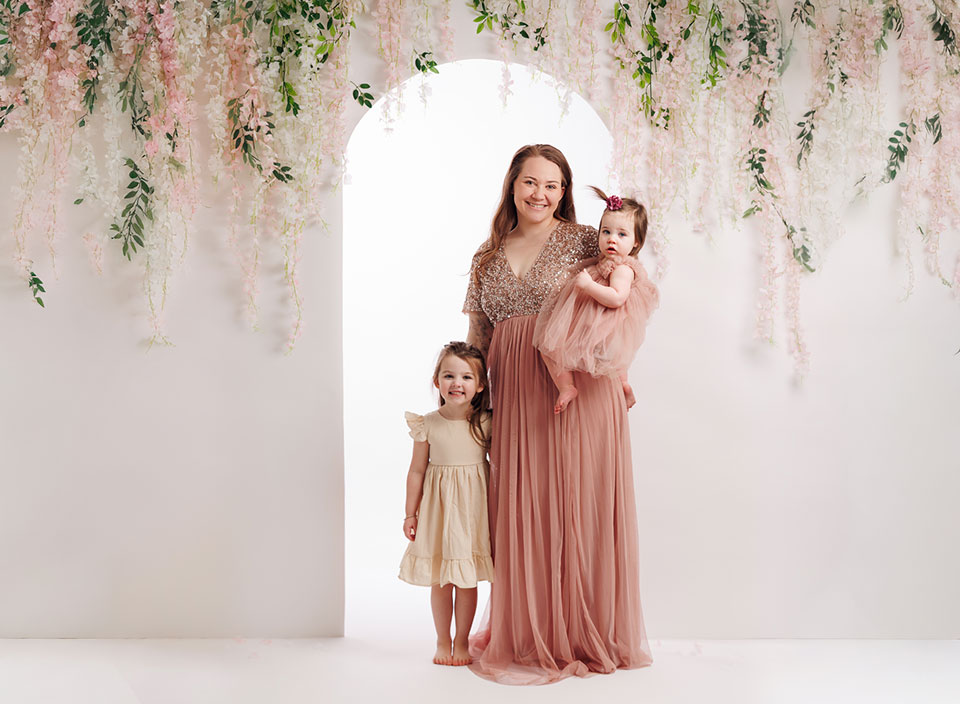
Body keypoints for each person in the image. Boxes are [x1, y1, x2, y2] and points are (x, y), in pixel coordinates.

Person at [464, 144, 653, 684]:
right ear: (512, 185)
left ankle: (581, 632)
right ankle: (530, 632)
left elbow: (617, 306)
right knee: (526, 506)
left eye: (552, 185)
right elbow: (479, 336)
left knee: (577, 503)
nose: (540, 194)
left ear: (565, 192)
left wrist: (618, 373)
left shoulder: (581, 243)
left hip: (576, 390)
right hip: (517, 395)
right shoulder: (487, 256)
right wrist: (472, 402)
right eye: (530, 182)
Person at [399, 341, 494, 667]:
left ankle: (462, 641)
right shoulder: (428, 423)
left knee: (465, 579)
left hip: (471, 511)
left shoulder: (485, 422)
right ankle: (442, 639)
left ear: (480, 385)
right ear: (437, 381)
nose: (457, 383)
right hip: (439, 511)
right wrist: (410, 513)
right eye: (449, 375)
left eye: (467, 377)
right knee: (442, 577)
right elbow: (416, 471)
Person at [533, 187, 659, 414]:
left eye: (622, 235)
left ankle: (567, 386)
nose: (612, 239)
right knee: (611, 356)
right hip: (599, 322)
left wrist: (589, 286)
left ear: (636, 243)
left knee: (551, 346)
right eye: (606, 232)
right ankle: (623, 385)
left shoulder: (623, 269)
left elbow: (617, 298)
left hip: (606, 321)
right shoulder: (603, 263)